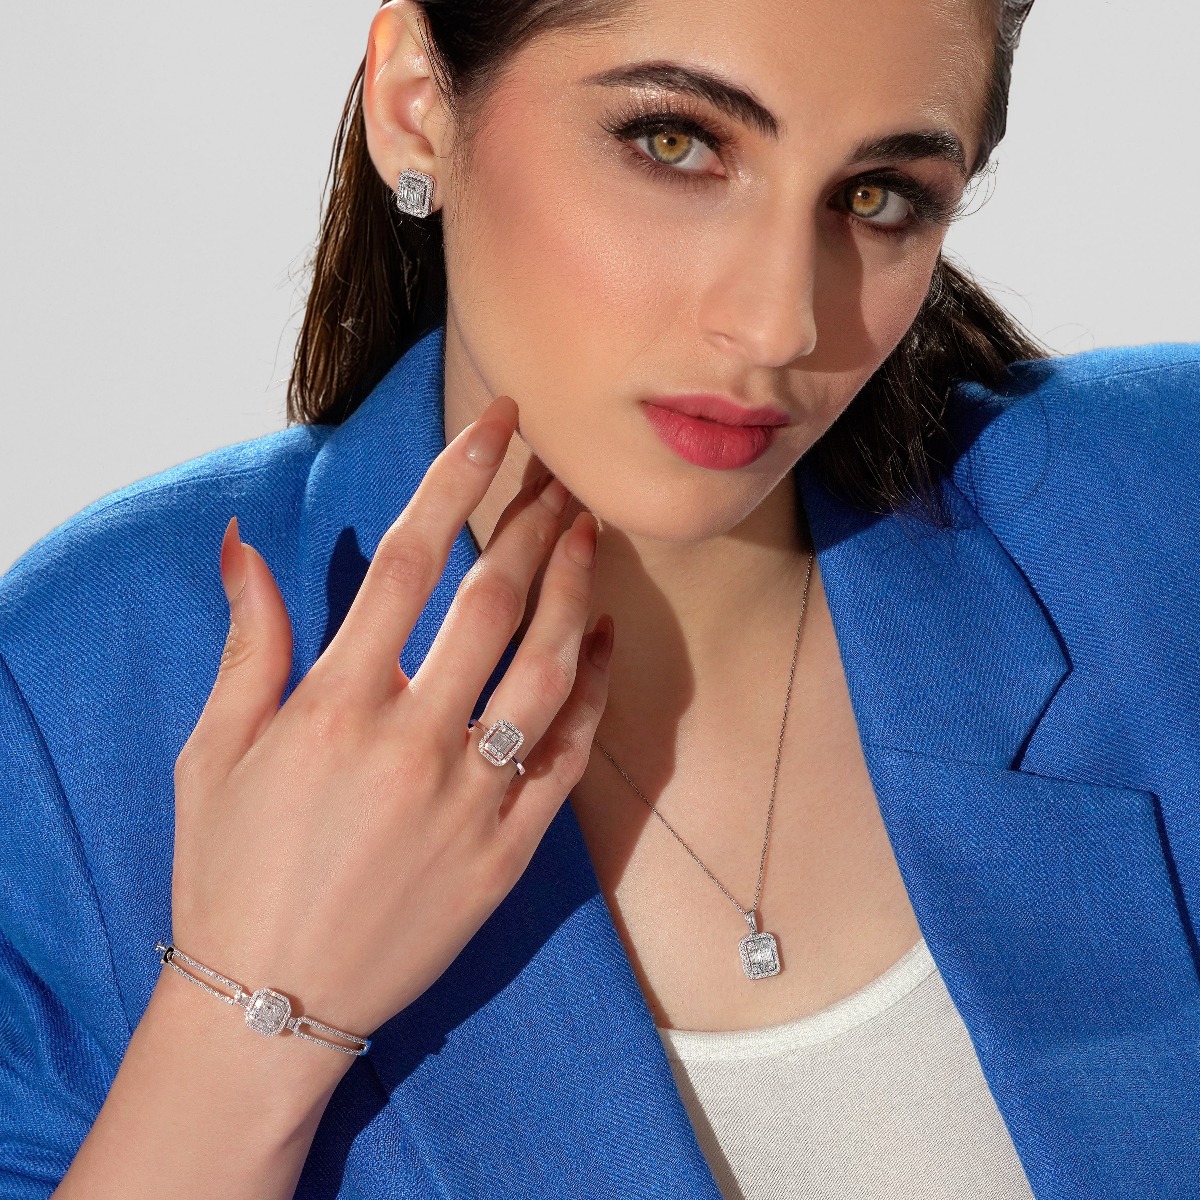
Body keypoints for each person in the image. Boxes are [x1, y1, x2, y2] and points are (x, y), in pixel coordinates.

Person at [1, 0, 1197, 1196]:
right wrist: (246, 1023)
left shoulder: (1158, 525)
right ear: (415, 104)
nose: (778, 322)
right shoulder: (77, 713)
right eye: (675, 144)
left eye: (879, 196)